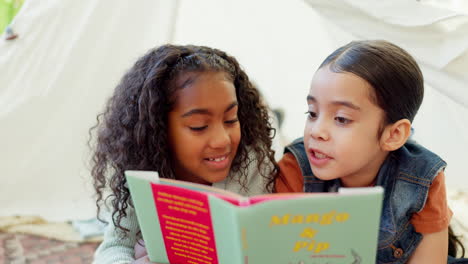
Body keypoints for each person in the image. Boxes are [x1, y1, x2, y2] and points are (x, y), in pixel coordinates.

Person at [275, 40, 466, 263]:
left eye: (341, 119)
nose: (317, 132)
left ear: (393, 135)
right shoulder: (295, 168)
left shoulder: (422, 176)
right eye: (312, 113)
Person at [89, 44, 279, 264]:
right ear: (159, 131)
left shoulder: (251, 162)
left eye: (231, 119)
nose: (222, 140)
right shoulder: (142, 168)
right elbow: (114, 247)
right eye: (199, 126)